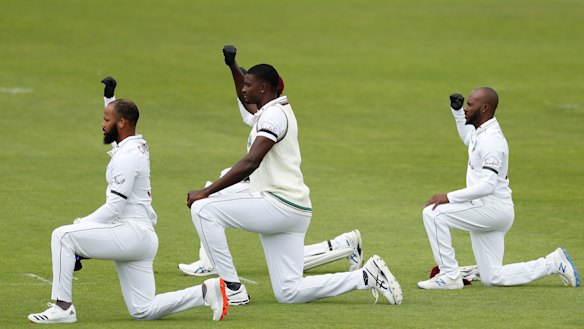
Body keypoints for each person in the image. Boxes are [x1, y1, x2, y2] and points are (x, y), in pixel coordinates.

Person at [185, 45, 403, 305]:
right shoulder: (270, 111)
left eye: (248, 85)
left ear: (263, 89)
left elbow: (252, 161)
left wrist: (207, 192)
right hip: (293, 210)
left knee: (203, 208)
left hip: (279, 206)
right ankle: (367, 277)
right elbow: (246, 103)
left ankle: (232, 288)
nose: (244, 90)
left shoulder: (274, 116)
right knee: (289, 292)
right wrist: (233, 66)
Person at [27, 78, 228, 324]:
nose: (102, 125)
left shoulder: (128, 157)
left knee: (63, 236)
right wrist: (109, 99)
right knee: (143, 309)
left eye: (106, 120)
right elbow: (116, 135)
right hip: (139, 237)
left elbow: (114, 207)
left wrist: (81, 224)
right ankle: (206, 292)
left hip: (131, 233)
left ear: (122, 123)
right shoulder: (131, 145)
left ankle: (63, 308)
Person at [417, 87, 581, 289]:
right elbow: (468, 138)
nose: (467, 108)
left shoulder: (492, 141)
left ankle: (450, 276)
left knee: (434, 214)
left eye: (470, 104)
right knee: (492, 277)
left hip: (491, 209)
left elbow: (487, 185)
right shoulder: (480, 131)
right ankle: (552, 263)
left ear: (484, 107)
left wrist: (448, 197)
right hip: (491, 210)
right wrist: (457, 112)